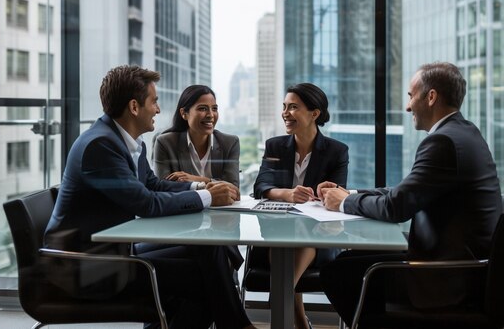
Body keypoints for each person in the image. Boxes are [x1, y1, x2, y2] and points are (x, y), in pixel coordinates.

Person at [44, 65, 255, 329]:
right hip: (87, 266)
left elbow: (152, 184)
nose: (157, 109)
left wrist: (199, 189)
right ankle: (238, 325)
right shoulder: (99, 146)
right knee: (205, 278)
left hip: (115, 250)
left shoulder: (127, 141)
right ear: (134, 107)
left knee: (208, 247)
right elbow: (146, 203)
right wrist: (209, 197)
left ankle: (236, 325)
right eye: (154, 102)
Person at [317, 62, 502, 326]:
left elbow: (397, 208)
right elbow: (406, 191)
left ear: (431, 97)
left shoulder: (443, 142)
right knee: (347, 261)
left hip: (446, 276)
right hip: (459, 263)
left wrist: (344, 203)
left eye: (410, 96)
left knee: (338, 272)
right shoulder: (464, 132)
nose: (407, 107)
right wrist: (350, 193)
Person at [253, 83, 348, 329]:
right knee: (281, 245)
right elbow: (261, 185)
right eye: (284, 107)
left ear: (314, 114)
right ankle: (296, 315)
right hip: (278, 230)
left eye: (293, 107)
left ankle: (281, 297)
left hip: (316, 235)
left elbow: (338, 194)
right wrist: (287, 194)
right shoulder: (275, 146)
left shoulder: (337, 151)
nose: (285, 112)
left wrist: (325, 191)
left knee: (297, 247)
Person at [153, 84, 243, 268]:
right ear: (184, 113)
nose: (210, 114)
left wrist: (198, 180)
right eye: (202, 109)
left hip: (222, 224)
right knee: (211, 257)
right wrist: (214, 189)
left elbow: (233, 190)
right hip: (181, 222)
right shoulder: (165, 142)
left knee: (215, 250)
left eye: (214, 108)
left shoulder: (229, 142)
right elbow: (163, 189)